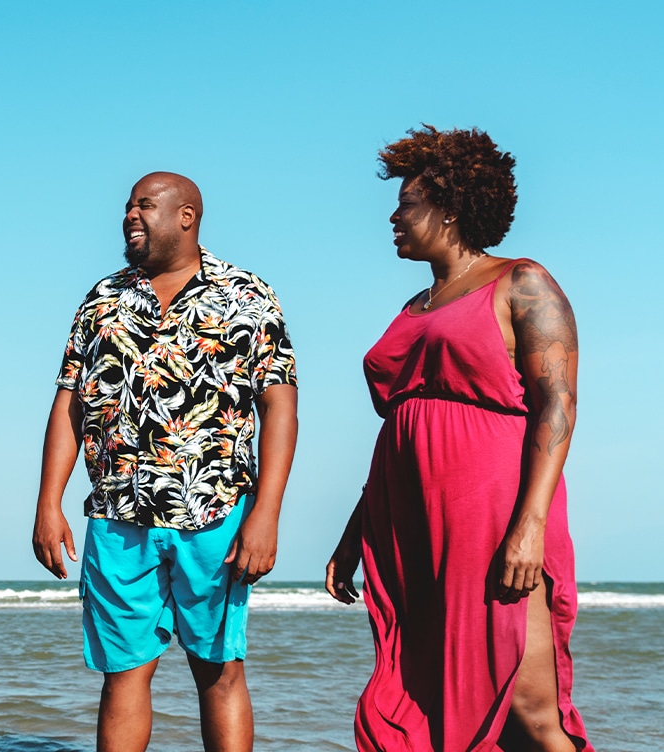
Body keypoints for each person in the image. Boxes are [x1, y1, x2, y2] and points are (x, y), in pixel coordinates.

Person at [325, 126, 592, 751]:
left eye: (407, 203)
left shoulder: (521, 282)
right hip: (410, 519)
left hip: (491, 511)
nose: (393, 216)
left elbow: (557, 406)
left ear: (449, 210)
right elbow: (403, 427)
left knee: (526, 705)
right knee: (424, 697)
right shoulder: (417, 304)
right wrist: (354, 533)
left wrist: (528, 528)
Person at [32, 172, 298, 752]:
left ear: (186, 216)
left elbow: (280, 409)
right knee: (123, 673)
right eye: (128, 206)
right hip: (116, 514)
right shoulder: (103, 298)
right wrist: (47, 503)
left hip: (217, 512)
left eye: (145, 206)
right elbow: (69, 404)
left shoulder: (248, 295)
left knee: (219, 670)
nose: (130, 215)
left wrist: (267, 513)